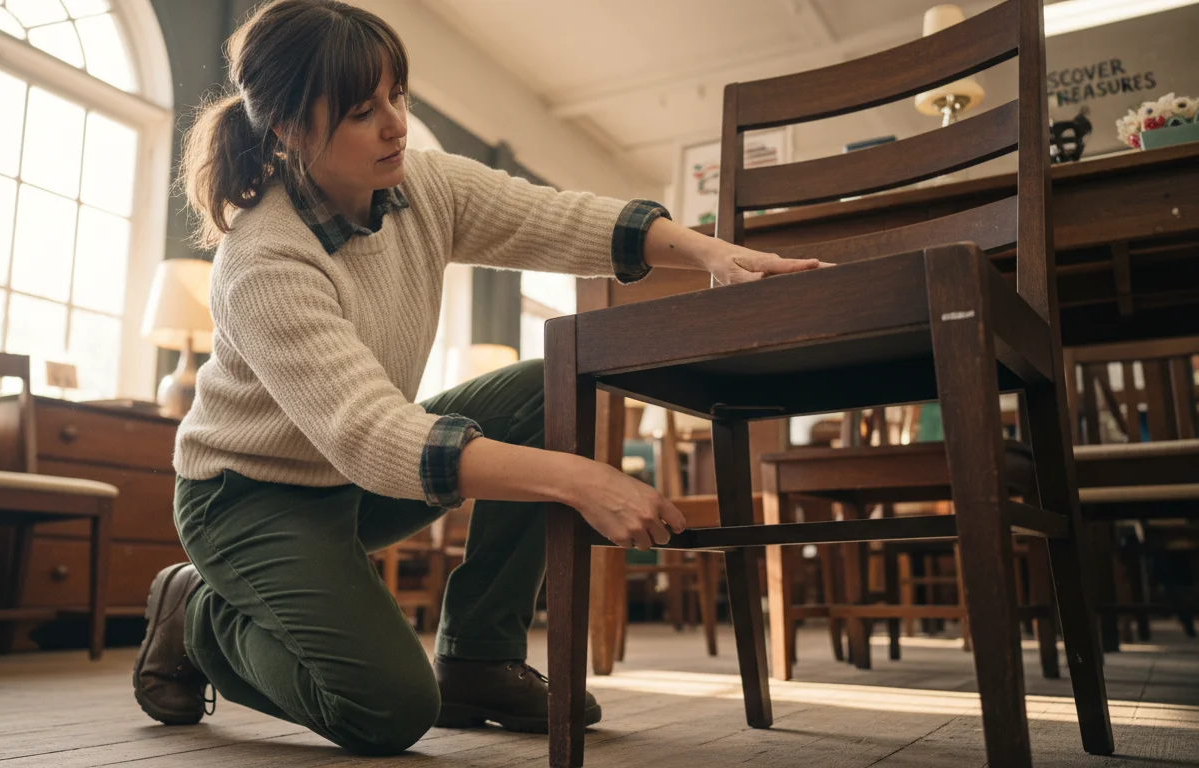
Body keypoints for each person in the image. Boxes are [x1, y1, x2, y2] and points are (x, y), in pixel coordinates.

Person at [131, 0, 822, 756]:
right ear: (290, 130)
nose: (395, 124)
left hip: (347, 488)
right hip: (248, 498)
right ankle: (197, 614)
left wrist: (712, 254)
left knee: (542, 387)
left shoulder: (423, 187)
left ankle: (479, 658)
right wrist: (575, 479)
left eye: (398, 96)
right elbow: (370, 434)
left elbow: (562, 219)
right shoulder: (264, 260)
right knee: (387, 710)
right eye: (364, 111)